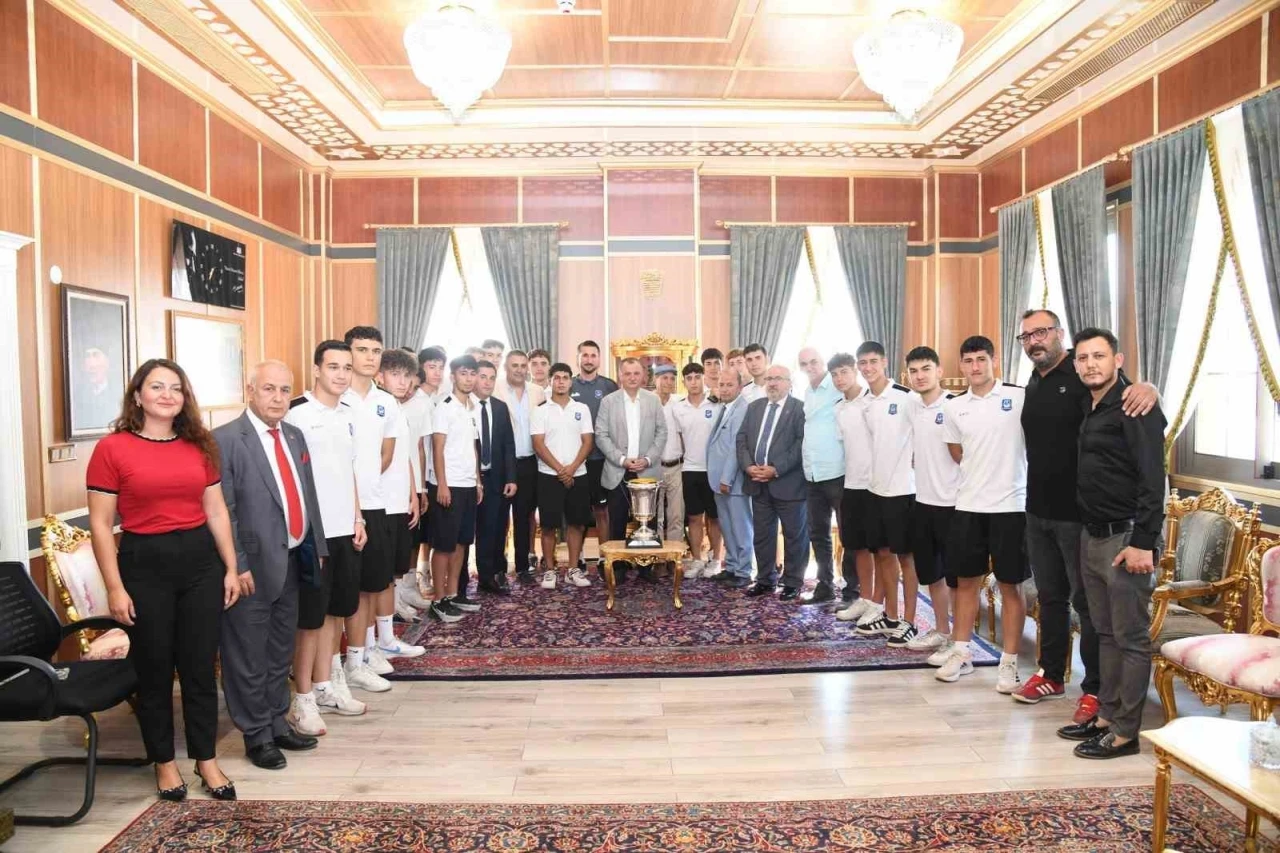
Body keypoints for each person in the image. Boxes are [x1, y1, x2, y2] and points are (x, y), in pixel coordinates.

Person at [87, 359, 241, 801]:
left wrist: (231, 567)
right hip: (144, 564)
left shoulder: (199, 444)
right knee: (154, 670)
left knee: (199, 668)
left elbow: (216, 510)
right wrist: (115, 587)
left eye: (175, 388)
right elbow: (101, 525)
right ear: (138, 396)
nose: (167, 395)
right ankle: (164, 763)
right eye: (157, 387)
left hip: (200, 564)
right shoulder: (112, 448)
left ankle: (206, 759)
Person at [1014, 309, 1158, 723]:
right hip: (1037, 511)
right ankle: (1051, 674)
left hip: (1080, 517)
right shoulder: (1033, 381)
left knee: (1090, 609)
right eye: (1026, 336)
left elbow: (1128, 393)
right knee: (1050, 598)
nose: (1034, 340)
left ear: (1060, 335)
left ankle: (1095, 689)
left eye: (1042, 332)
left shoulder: (1082, 375)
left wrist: (1150, 387)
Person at [214, 360, 327, 771]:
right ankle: (257, 734)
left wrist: (317, 548)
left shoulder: (294, 435)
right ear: (250, 391)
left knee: (280, 650)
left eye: (284, 390)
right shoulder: (225, 440)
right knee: (247, 655)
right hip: (250, 568)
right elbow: (223, 510)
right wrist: (236, 565)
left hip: (293, 560)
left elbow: (307, 495)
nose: (278, 398)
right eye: (268, 389)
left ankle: (278, 722)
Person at [1062, 328, 1166, 759]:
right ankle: (1106, 716)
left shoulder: (1135, 405)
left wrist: (1143, 542)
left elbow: (1153, 479)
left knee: (1130, 637)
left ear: (1118, 360)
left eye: (1099, 356)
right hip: (1093, 534)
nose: (1091, 364)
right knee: (1103, 633)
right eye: (1083, 358)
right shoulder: (1090, 404)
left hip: (1127, 538)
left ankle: (1126, 733)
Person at [284, 342, 369, 734]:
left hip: (344, 528)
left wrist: (357, 517)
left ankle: (325, 686)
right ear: (316, 369)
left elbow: (348, 471)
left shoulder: (347, 415)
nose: (341, 374)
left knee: (337, 611)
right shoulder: (297, 414)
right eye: (333, 366)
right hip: (311, 533)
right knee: (311, 619)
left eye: (347, 367)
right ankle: (301, 699)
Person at [936, 336, 1027, 693]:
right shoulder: (954, 407)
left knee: (1010, 586)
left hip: (1011, 508)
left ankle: (1009, 663)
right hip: (968, 506)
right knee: (966, 583)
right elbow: (957, 451)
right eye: (968, 360)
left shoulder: (1018, 397)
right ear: (961, 365)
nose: (975, 367)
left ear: (994, 361)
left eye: (981, 359)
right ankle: (962, 653)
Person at [339, 326, 400, 693]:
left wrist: (366, 489)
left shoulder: (386, 401)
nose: (370, 357)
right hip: (339, 508)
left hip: (375, 503)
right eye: (362, 349)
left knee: (370, 585)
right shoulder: (335, 395)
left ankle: (360, 657)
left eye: (375, 350)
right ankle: (340, 665)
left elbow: (386, 454)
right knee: (342, 590)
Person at [853, 342, 920, 647]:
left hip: (902, 490)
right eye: (863, 363)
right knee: (881, 554)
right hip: (874, 489)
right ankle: (890, 616)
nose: (868, 368)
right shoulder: (865, 401)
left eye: (873, 362)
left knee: (906, 558)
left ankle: (910, 622)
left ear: (884, 362)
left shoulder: (906, 397)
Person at [902, 346, 960, 655]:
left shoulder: (955, 406)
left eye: (926, 369)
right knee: (931, 574)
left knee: (957, 578)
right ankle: (941, 630)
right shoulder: (913, 407)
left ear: (939, 371)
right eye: (914, 371)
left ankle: (959, 641)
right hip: (922, 502)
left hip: (954, 505)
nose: (920, 376)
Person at [736, 365, 809, 599]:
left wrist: (776, 469)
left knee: (794, 536)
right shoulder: (754, 407)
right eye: (769, 379)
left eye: (778, 378)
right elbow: (742, 440)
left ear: (789, 382)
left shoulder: (799, 408)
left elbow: (800, 444)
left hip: (789, 484)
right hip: (758, 482)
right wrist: (748, 467)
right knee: (762, 535)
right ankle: (765, 580)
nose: (773, 383)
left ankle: (793, 582)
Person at [595, 357, 667, 582]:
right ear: (620, 376)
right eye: (628, 373)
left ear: (643, 376)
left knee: (648, 521)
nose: (632, 378)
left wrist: (648, 459)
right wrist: (622, 459)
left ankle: (646, 568)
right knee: (617, 520)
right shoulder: (608, 402)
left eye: (636, 373)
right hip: (618, 469)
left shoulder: (653, 400)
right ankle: (619, 567)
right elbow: (601, 435)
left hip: (647, 470)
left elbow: (662, 432)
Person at [373, 350, 426, 642]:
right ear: (379, 376)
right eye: (395, 374)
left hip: (399, 498)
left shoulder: (397, 408)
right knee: (378, 573)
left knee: (393, 568)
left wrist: (413, 494)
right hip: (378, 501)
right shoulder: (375, 406)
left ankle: (391, 617)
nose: (403, 381)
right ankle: (378, 638)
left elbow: (405, 455)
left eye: (407, 375)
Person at [427, 355, 483, 622]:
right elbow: (437, 448)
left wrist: (478, 480)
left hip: (468, 484)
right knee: (444, 544)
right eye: (463, 373)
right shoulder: (444, 407)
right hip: (448, 485)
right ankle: (438, 600)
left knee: (462, 542)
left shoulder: (473, 407)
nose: (469, 379)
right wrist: (442, 484)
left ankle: (453, 594)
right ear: (453, 377)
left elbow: (473, 447)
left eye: (473, 373)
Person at [531, 362, 595, 588]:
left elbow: (588, 442)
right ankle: (550, 570)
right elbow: (538, 444)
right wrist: (560, 469)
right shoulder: (540, 410)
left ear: (570, 381)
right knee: (549, 525)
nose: (561, 381)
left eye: (565, 377)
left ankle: (573, 569)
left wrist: (572, 468)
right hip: (549, 475)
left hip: (578, 474)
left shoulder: (582, 409)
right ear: (550, 381)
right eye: (556, 377)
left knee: (577, 524)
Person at [828, 353, 879, 625]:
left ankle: (879, 605)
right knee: (856, 546)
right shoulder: (838, 408)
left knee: (880, 550)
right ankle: (864, 598)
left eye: (844, 372)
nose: (840, 379)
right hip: (851, 484)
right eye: (835, 374)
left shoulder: (872, 401)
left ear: (856, 371)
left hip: (877, 486)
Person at [398, 346, 446, 614]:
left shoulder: (433, 401)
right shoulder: (401, 404)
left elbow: (422, 448)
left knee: (417, 536)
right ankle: (398, 593)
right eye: (431, 367)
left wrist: (423, 486)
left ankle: (409, 586)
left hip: (422, 478)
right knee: (403, 539)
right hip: (400, 481)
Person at [797, 347, 846, 606]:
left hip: (837, 471)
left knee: (848, 535)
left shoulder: (837, 386)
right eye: (804, 364)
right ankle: (825, 586)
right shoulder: (808, 392)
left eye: (814, 362)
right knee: (818, 534)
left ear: (823, 362)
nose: (810, 367)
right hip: (812, 473)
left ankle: (851, 590)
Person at [499, 349, 545, 583]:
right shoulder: (495, 389)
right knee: (499, 517)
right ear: (506, 368)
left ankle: (522, 567)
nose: (519, 370)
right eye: (514, 365)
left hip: (529, 462)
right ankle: (497, 568)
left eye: (522, 365)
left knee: (524, 515)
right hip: (501, 464)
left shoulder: (537, 392)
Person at [672, 362, 721, 578]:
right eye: (689, 378)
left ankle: (716, 559)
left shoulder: (716, 404)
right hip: (690, 469)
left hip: (713, 470)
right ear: (684, 382)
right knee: (693, 517)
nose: (694, 382)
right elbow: (680, 440)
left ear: (703, 379)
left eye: (697, 377)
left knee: (715, 517)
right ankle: (697, 560)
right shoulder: (679, 408)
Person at [473, 359, 518, 595]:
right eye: (483, 377)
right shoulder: (464, 406)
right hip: (469, 478)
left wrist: (511, 478)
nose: (487, 382)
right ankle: (464, 580)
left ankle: (492, 574)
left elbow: (509, 444)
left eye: (492, 378)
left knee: (496, 527)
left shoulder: (500, 407)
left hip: (496, 477)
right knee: (473, 531)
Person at [571, 340, 619, 549]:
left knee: (602, 510)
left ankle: (604, 556)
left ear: (599, 359)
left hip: (601, 458)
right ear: (578, 358)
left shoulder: (609, 386)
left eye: (593, 355)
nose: (589, 359)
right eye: (585, 355)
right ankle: (578, 558)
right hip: (574, 460)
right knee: (577, 511)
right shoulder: (569, 385)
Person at [706, 368, 752, 588]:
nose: (724, 389)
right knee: (727, 526)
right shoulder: (725, 407)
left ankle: (743, 571)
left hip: (733, 481)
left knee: (741, 527)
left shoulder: (742, 408)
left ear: (740, 387)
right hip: (719, 480)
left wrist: (727, 478)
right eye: (721, 385)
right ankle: (732, 566)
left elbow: (736, 447)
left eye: (729, 385)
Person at [653, 364, 686, 547]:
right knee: (654, 516)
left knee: (676, 515)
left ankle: (675, 554)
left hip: (676, 467)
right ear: (655, 380)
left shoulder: (680, 402)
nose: (668, 382)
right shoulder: (647, 402)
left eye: (672, 378)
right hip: (654, 467)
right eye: (664, 378)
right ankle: (657, 554)